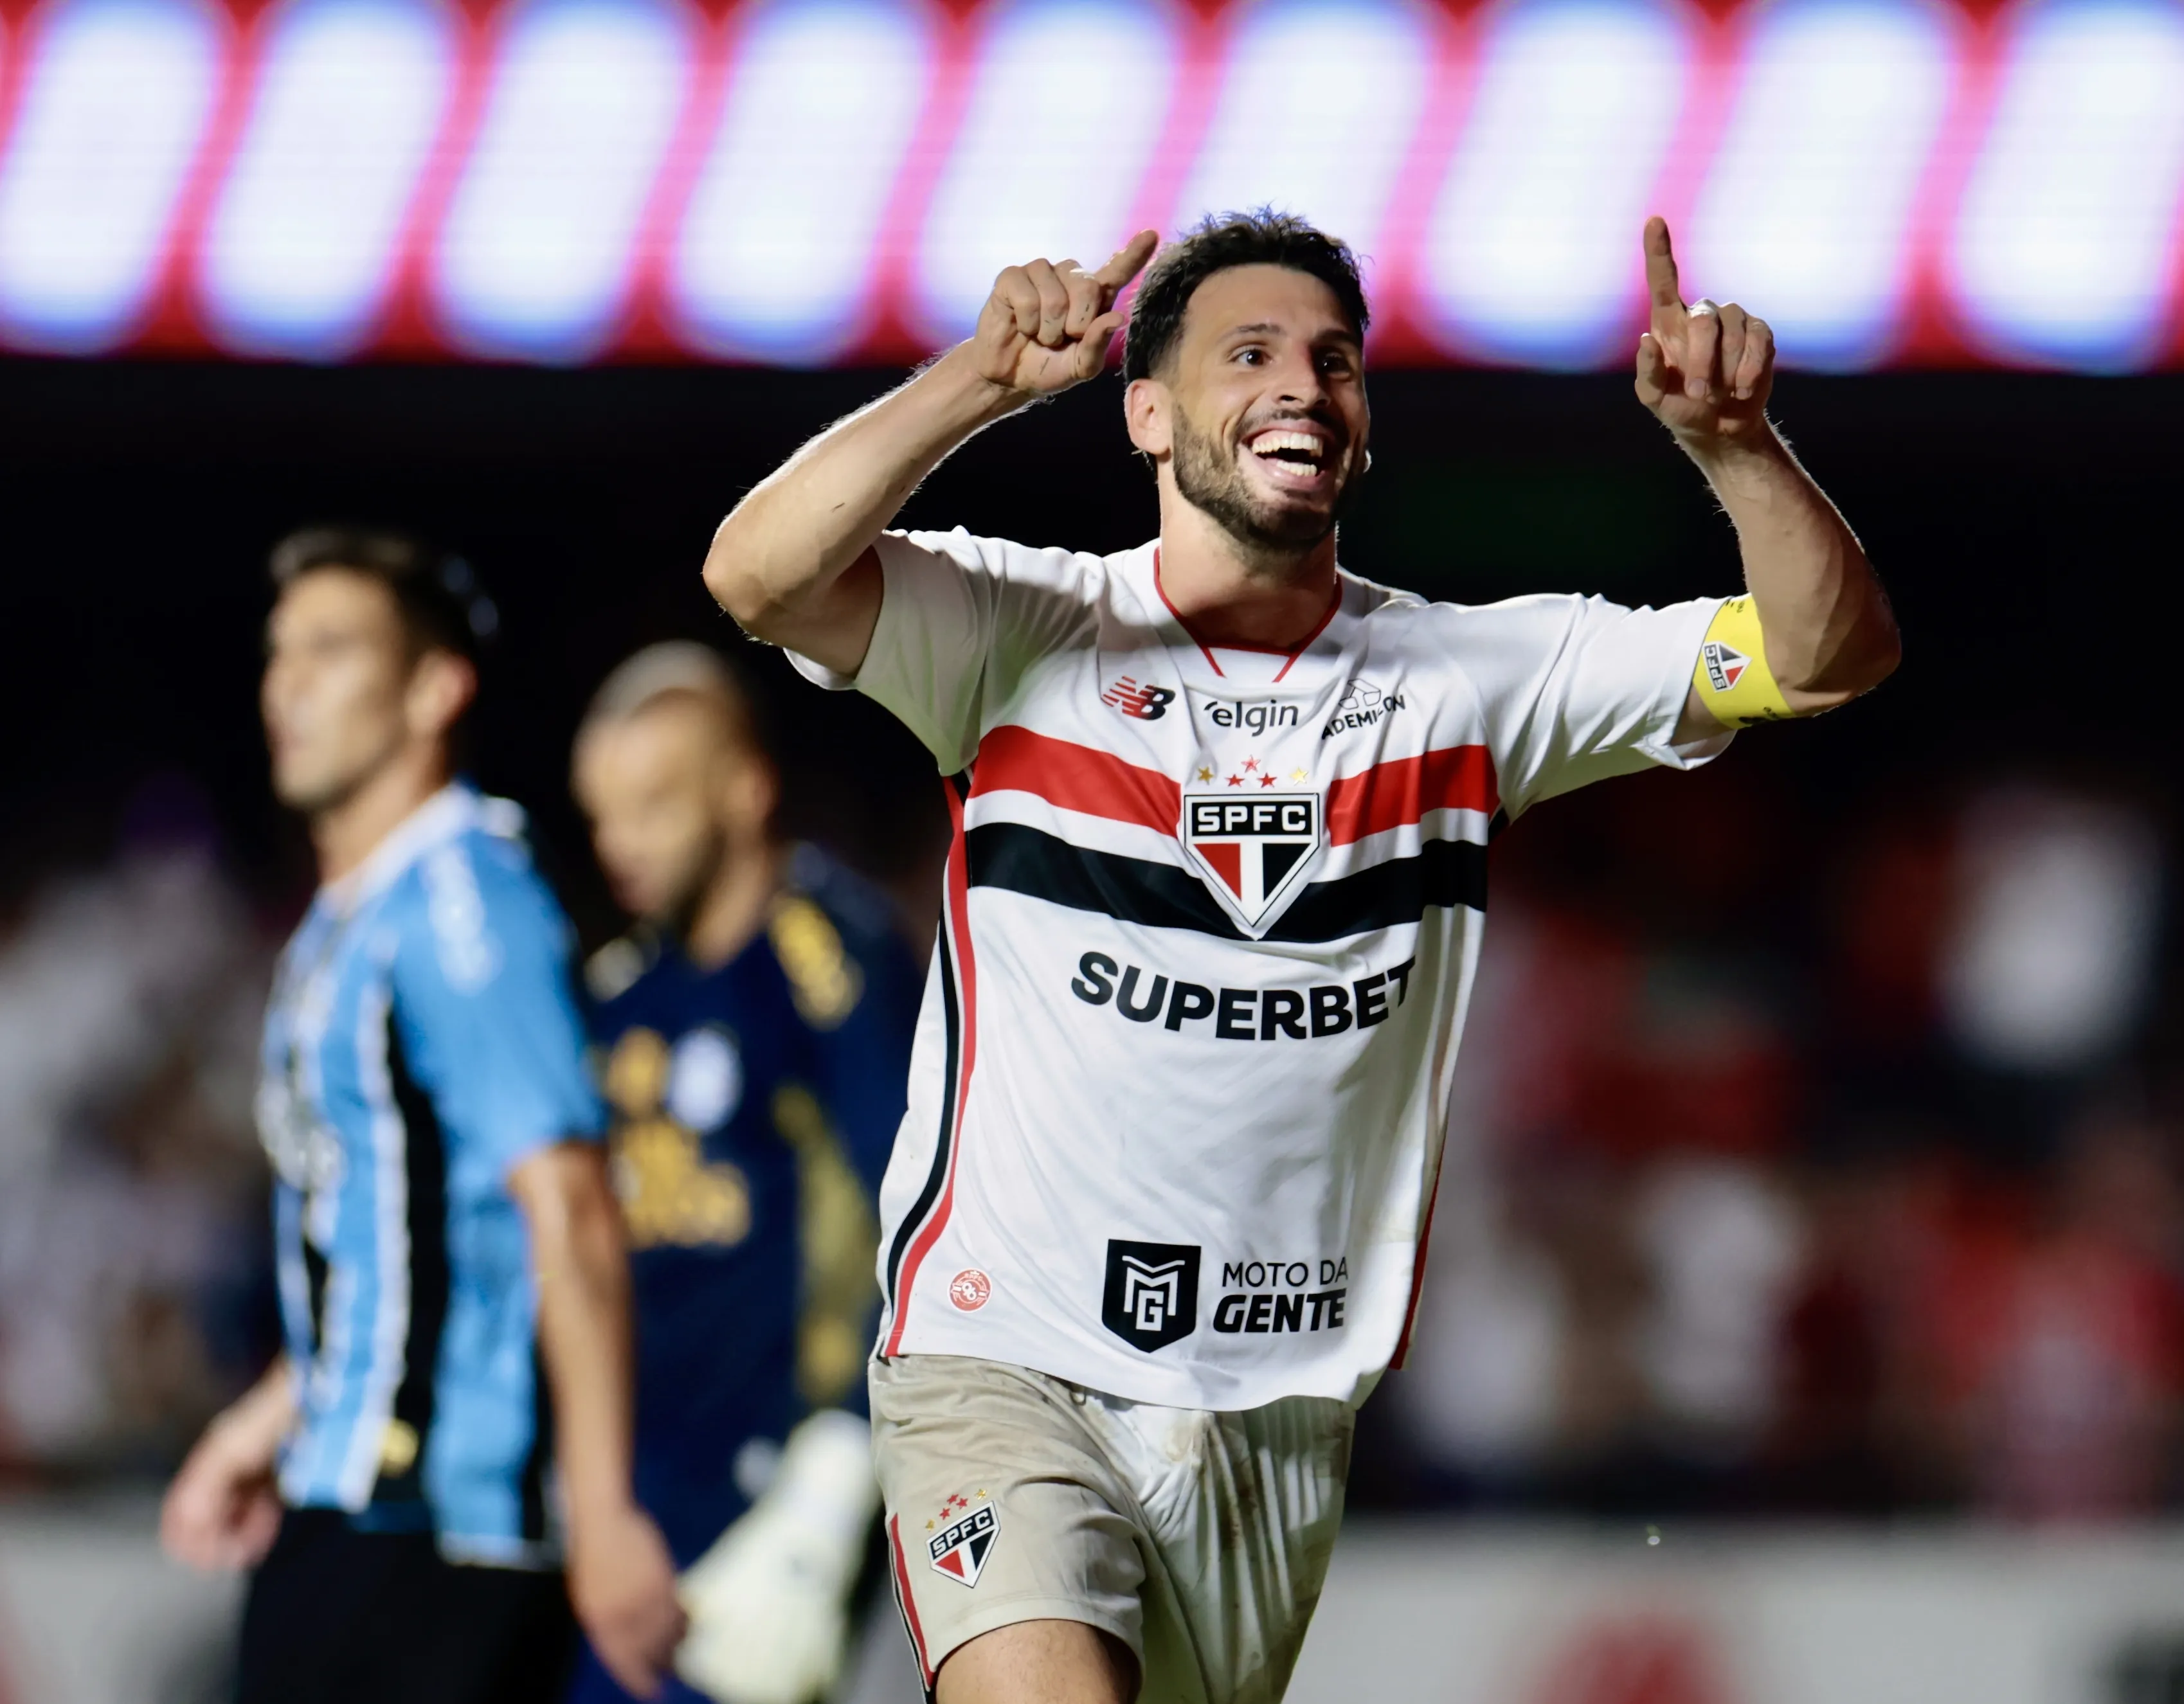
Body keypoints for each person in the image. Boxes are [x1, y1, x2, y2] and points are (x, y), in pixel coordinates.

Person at [699, 209, 1901, 1703]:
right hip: (1002, 1357)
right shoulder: (1020, 634)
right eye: (1248, 352)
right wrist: (973, 384)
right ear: (1145, 413)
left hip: (1275, 1410)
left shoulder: (1464, 683)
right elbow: (753, 575)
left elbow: (1821, 654)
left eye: (1335, 361)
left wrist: (1734, 446)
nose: (1303, 386)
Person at [159, 528, 685, 1703]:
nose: (288, 682)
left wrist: (600, 1516)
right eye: (278, 652)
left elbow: (571, 1205)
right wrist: (265, 1420)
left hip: (442, 1526)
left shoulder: (465, 904)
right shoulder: (355, 915)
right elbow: (415, 1239)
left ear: (433, 689)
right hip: (345, 1495)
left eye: (333, 648)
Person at [569, 643, 925, 1704]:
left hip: (779, 1482)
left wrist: (835, 1483)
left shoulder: (830, 959)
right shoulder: (625, 989)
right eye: (602, 815)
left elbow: (911, 1217)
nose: (620, 842)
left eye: (652, 806)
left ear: (746, 788)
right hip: (644, 1484)